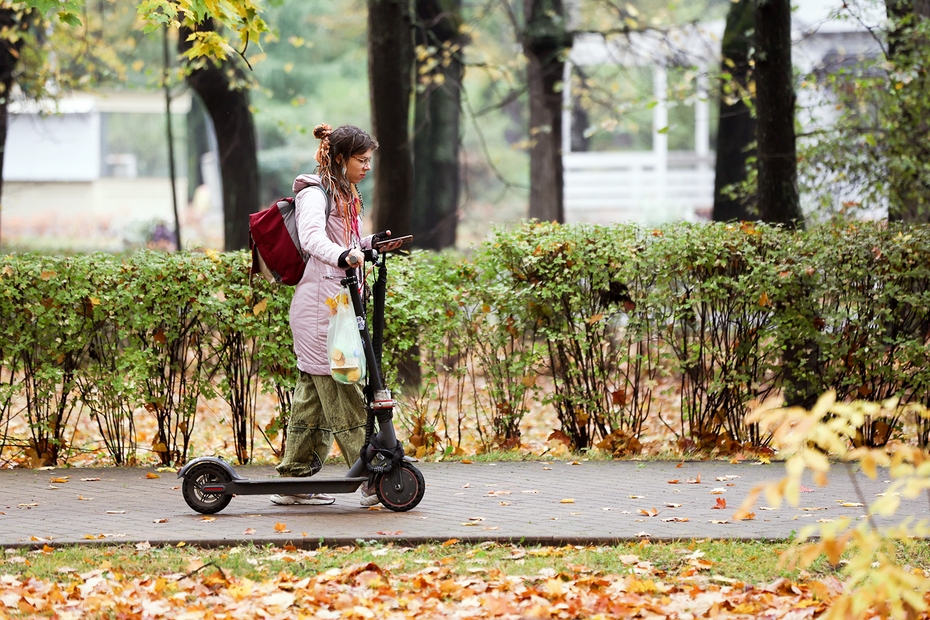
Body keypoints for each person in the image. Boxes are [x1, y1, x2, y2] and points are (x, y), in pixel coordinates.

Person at [271, 123, 403, 507]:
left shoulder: (345, 192)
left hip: (336, 304)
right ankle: (372, 479)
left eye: (370, 160)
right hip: (320, 311)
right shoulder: (316, 193)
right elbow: (314, 239)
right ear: (341, 158)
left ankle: (294, 478)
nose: (368, 167)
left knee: (313, 395)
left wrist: (366, 245)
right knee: (343, 389)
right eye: (362, 160)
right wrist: (344, 255)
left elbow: (342, 243)